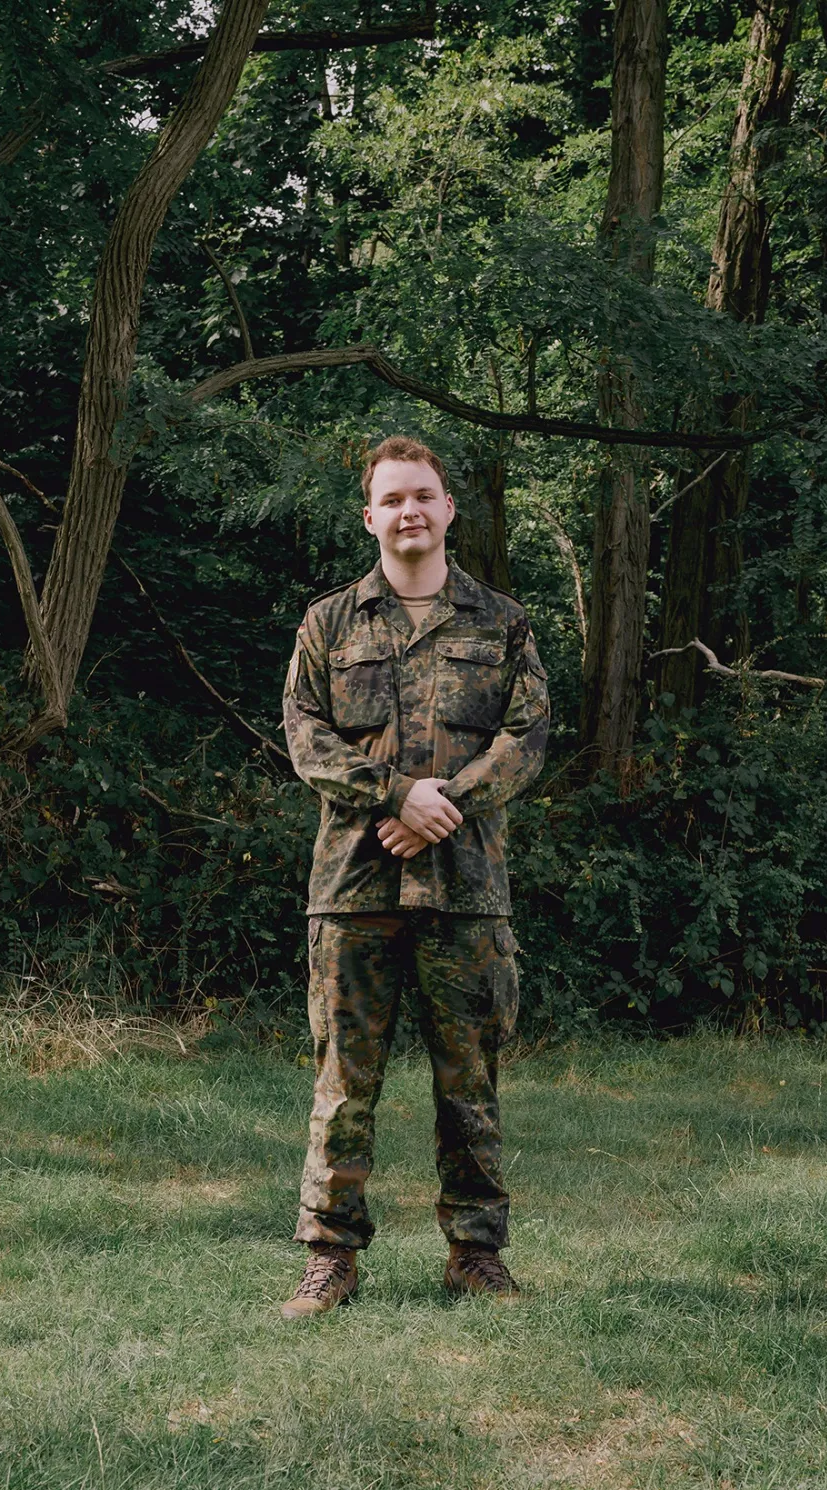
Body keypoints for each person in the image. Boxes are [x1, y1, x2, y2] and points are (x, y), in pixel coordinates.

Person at [277, 435, 551, 1318]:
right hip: (353, 889)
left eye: (424, 496)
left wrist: (446, 803)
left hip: (466, 891)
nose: (410, 512)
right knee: (343, 1084)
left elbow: (528, 738)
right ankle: (330, 1258)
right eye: (393, 499)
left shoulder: (501, 623)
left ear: (447, 509)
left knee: (470, 1083)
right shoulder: (328, 624)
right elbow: (306, 737)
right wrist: (396, 793)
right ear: (370, 517)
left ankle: (476, 1255)